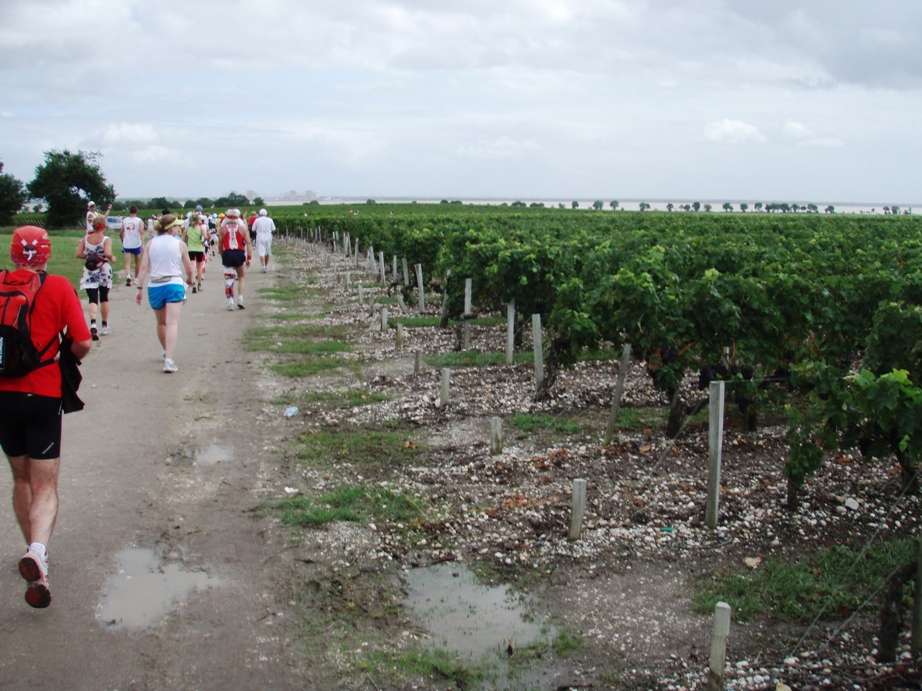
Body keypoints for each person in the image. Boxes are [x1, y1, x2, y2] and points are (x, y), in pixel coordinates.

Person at [0, 226, 93, 608]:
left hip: (3, 395)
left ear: (12, 252)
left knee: (20, 477)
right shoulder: (57, 287)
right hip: (42, 393)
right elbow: (83, 340)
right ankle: (38, 553)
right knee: (45, 484)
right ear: (46, 254)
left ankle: (32, 551)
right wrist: (66, 357)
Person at [134, 214, 194, 373]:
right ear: (171, 228)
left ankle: (165, 349)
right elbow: (188, 267)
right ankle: (168, 359)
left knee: (161, 322)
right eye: (177, 226)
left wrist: (139, 288)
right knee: (172, 322)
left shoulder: (151, 243)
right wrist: (191, 278)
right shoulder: (180, 244)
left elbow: (144, 267)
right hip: (174, 283)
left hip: (155, 284)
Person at [76, 213, 116, 339]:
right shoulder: (106, 239)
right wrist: (112, 258)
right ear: (103, 226)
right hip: (103, 268)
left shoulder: (85, 238)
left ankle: (93, 322)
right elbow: (107, 253)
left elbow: (78, 254)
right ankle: (104, 324)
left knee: (92, 299)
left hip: (89, 269)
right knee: (104, 297)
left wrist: (89, 256)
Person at [218, 208, 253, 311]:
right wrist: (249, 257)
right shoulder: (242, 229)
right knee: (241, 276)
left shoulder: (222, 229)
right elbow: (248, 243)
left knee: (229, 278)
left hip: (227, 253)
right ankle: (240, 299)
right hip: (239, 253)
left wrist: (222, 255)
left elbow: (220, 245)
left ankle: (230, 302)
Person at [181, 212, 208, 292]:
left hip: (190, 249)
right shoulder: (200, 229)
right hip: (199, 248)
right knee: (199, 267)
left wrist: (187, 240)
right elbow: (206, 237)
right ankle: (199, 284)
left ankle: (193, 283)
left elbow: (183, 239)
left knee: (192, 266)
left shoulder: (188, 229)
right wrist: (202, 242)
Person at [120, 205, 144, 286]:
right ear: (136, 212)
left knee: (127, 261)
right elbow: (141, 232)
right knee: (137, 261)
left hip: (127, 243)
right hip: (136, 243)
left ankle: (128, 275)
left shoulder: (125, 220)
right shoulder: (139, 221)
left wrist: (122, 240)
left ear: (129, 212)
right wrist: (143, 243)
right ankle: (136, 278)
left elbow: (121, 232)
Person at [252, 208, 276, 272]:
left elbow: (253, 229)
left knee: (261, 251)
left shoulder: (257, 220)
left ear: (259, 214)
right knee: (267, 251)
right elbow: (273, 229)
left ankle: (263, 266)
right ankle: (266, 265)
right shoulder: (270, 220)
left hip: (260, 236)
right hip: (268, 236)